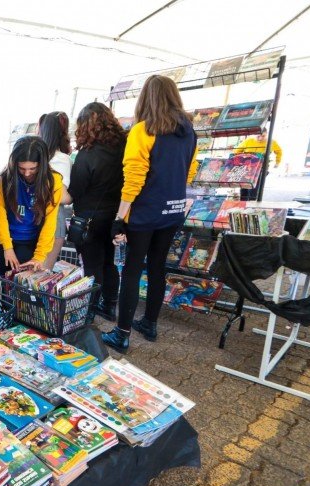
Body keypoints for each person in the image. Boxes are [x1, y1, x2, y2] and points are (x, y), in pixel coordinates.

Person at [102, 75, 199, 353]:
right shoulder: (189, 132)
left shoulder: (143, 130)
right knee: (158, 267)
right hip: (173, 211)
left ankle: (121, 334)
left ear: (146, 98)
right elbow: (189, 173)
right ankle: (150, 324)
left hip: (145, 213)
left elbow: (133, 179)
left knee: (132, 269)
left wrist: (120, 217)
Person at [65, 102, 127, 321]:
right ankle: (110, 305)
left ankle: (88, 312)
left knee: (92, 266)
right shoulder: (124, 148)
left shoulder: (86, 155)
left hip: (88, 220)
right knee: (109, 262)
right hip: (114, 217)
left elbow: (75, 192)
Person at [0, 135, 63, 275]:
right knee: (6, 282)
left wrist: (39, 256)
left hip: (32, 240)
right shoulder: (5, 179)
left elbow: (50, 221)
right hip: (7, 239)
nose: (27, 173)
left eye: (33, 168)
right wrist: (7, 247)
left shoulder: (53, 181)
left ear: (42, 164)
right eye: (21, 168)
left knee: (26, 287)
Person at [38, 111, 73, 270]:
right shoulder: (62, 159)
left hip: (31, 218)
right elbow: (63, 196)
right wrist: (74, 198)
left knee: (29, 273)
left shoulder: (35, 155)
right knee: (43, 274)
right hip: (53, 219)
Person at [233, 127, 282, 197]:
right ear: (255, 134)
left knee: (256, 185)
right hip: (247, 166)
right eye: (258, 136)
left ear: (267, 134)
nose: (260, 138)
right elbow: (236, 151)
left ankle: (252, 201)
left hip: (261, 167)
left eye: (263, 136)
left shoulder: (272, 142)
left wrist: (277, 162)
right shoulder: (248, 141)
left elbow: (279, 151)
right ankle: (243, 201)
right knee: (244, 185)